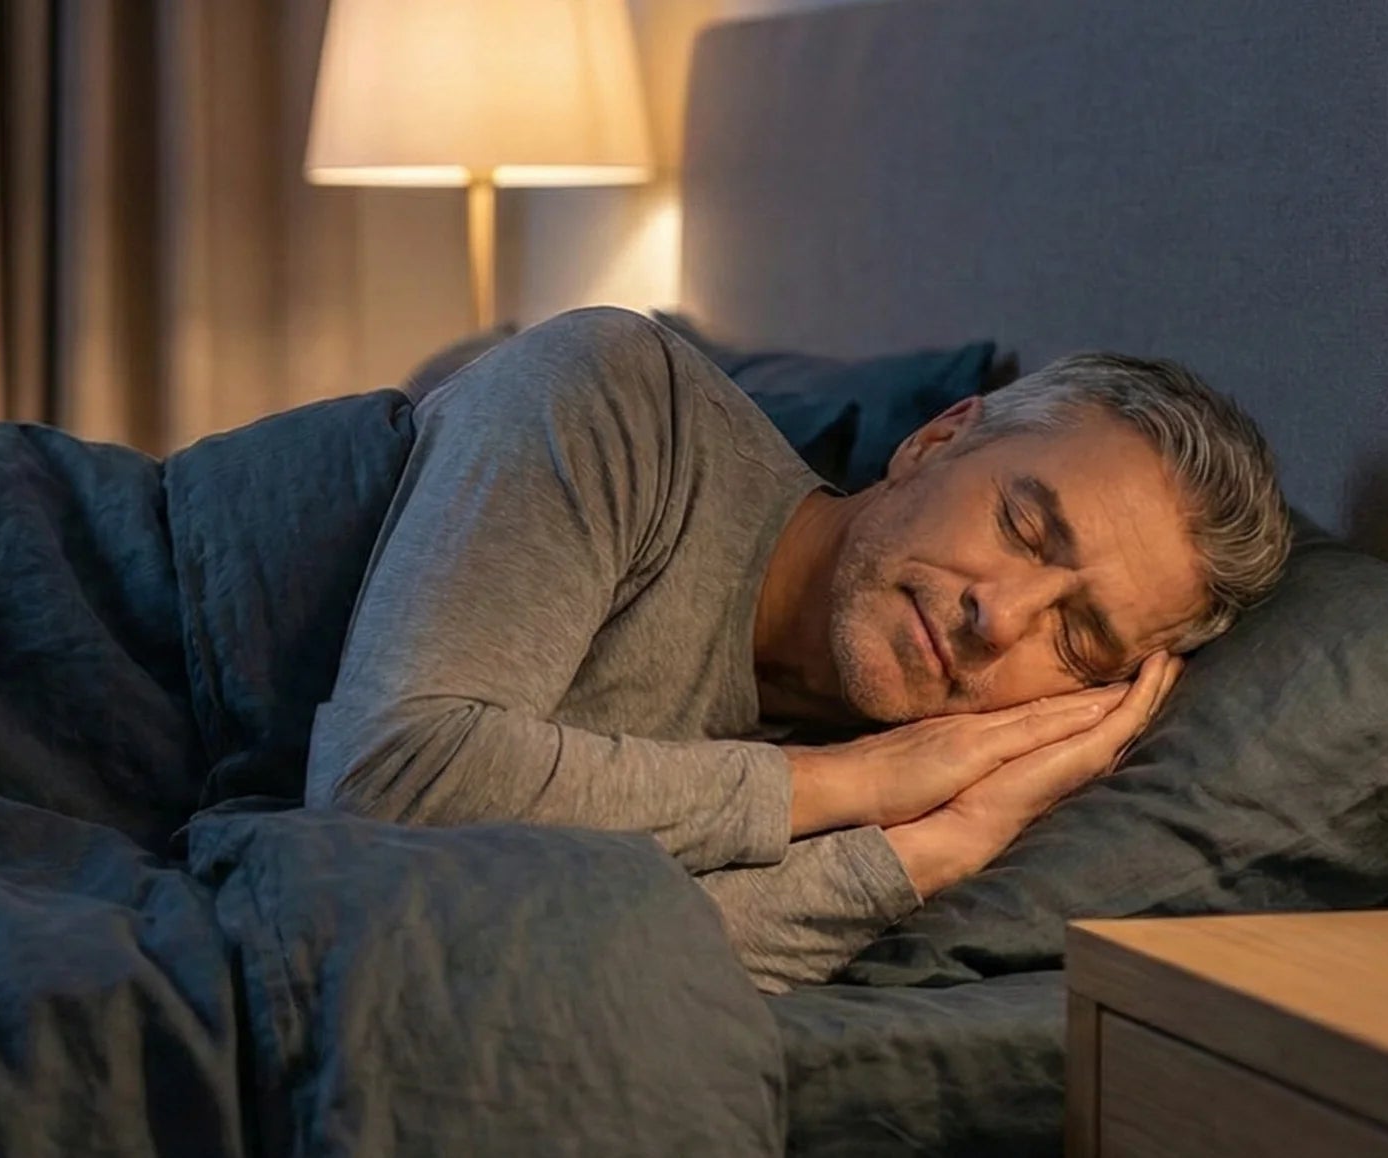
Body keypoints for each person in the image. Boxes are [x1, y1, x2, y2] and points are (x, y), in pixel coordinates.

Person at [306, 308, 1291, 991]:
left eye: (1077, 638)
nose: (1000, 617)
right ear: (937, 441)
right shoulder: (612, 392)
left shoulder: (934, 801)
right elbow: (386, 785)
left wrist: (930, 850)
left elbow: (561, 962)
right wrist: (845, 784)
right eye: (1025, 530)